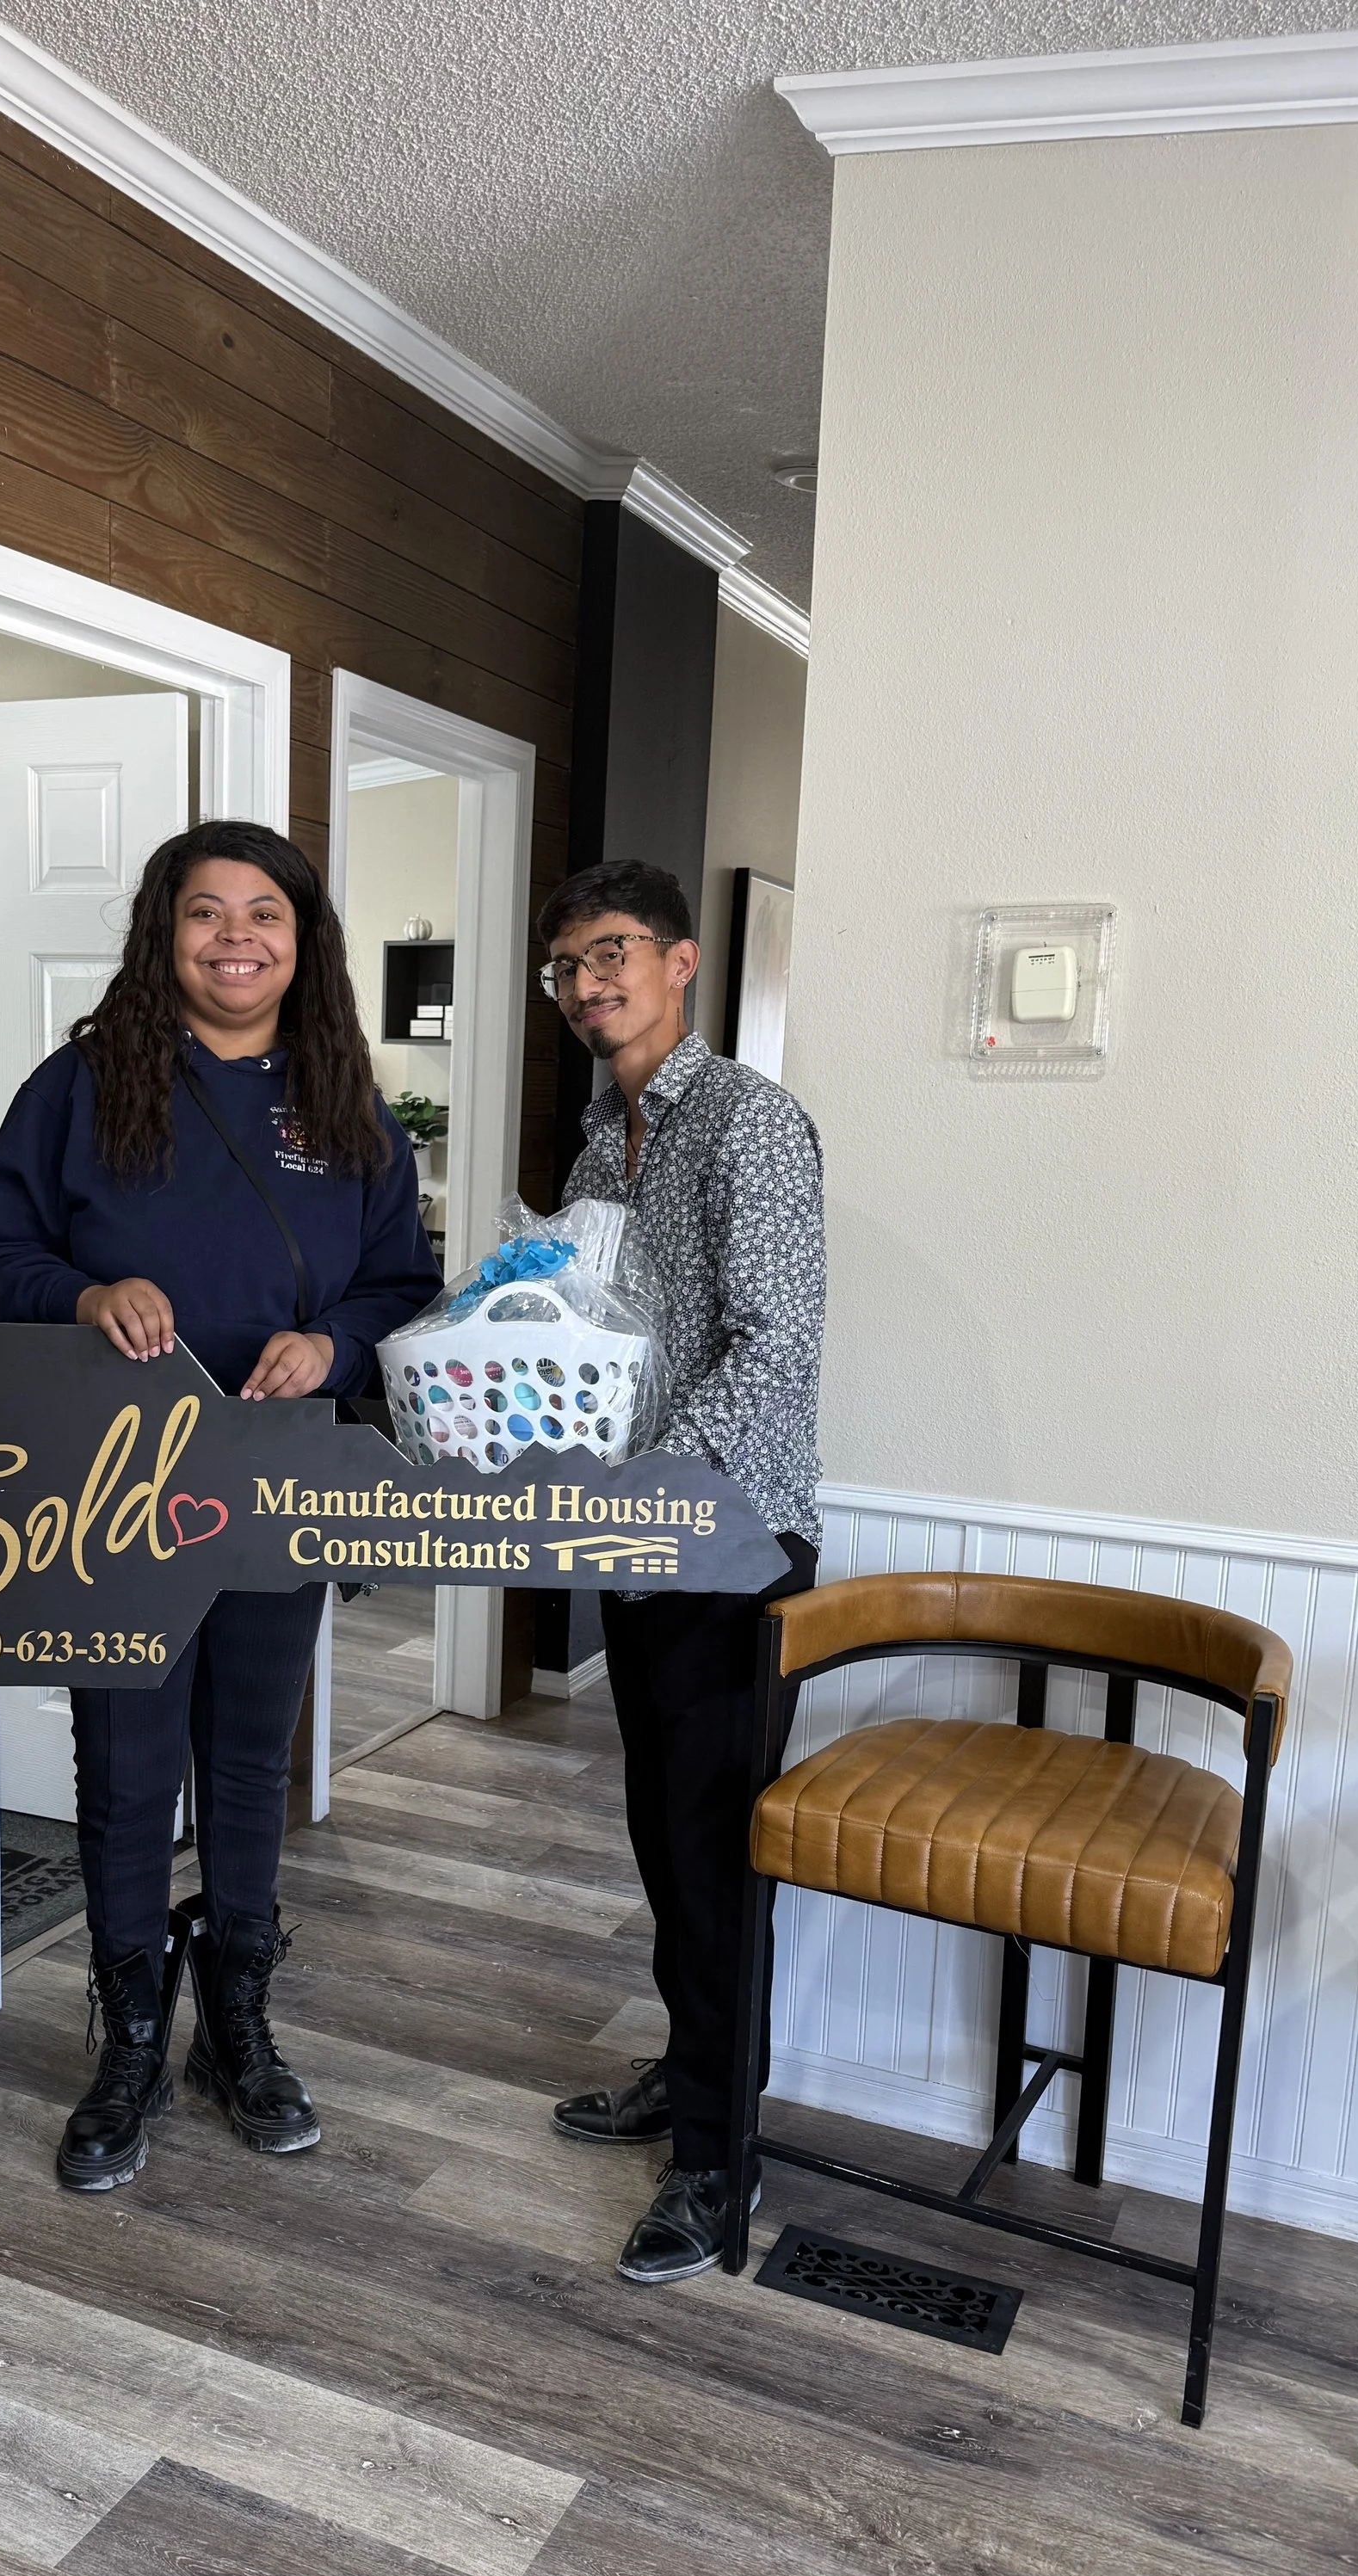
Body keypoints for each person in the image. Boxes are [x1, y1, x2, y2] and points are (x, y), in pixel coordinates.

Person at [0, 820, 441, 2193]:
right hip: (118, 1495)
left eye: (264, 914)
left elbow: (404, 1286)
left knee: (245, 1762)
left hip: (281, 1482)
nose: (237, 938)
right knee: (125, 1766)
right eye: (206, 913)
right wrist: (86, 1294)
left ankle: (239, 2027)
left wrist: (336, 1347)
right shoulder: (86, 1085)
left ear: (303, 941)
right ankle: (123, 2048)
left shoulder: (346, 1102)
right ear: (165, 935)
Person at [540, 859, 825, 2284]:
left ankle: (718, 2162)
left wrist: (650, 1479)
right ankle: (687, 2068)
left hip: (729, 1541)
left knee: (716, 1856)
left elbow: (775, 1350)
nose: (589, 985)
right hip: (635, 1541)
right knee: (665, 1837)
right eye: (569, 967)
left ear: (681, 962)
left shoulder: (752, 1128)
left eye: (611, 954)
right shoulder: (600, 1148)